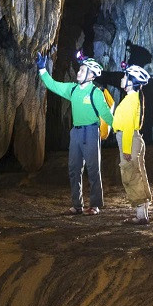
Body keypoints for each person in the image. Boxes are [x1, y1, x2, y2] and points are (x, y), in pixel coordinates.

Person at [35, 52, 114, 215]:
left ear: (91, 76)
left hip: (91, 132)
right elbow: (53, 85)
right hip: (76, 133)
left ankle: (94, 205)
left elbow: (107, 115)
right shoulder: (72, 89)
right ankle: (77, 205)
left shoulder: (95, 93)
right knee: (74, 169)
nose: (79, 72)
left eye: (83, 70)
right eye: (80, 69)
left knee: (93, 169)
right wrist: (42, 69)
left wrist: (121, 129)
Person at [112, 64, 153, 224]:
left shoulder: (130, 100)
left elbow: (128, 125)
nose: (122, 79)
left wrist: (127, 149)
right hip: (135, 139)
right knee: (138, 173)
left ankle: (141, 216)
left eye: (125, 76)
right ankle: (143, 214)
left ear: (132, 81)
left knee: (130, 175)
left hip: (128, 139)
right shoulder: (133, 98)